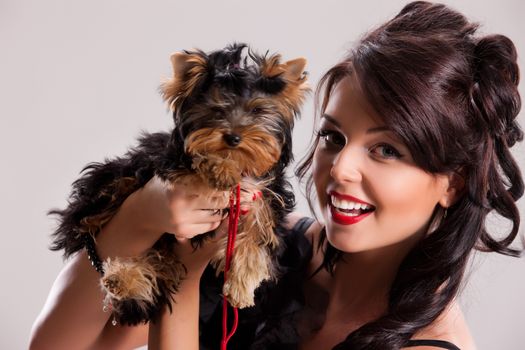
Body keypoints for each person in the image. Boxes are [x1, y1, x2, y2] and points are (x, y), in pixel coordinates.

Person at [30, 1, 523, 349]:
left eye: (387, 150)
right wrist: (139, 218)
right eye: (332, 137)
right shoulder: (272, 249)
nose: (341, 169)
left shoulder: (425, 345)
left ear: (453, 182)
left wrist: (181, 280)